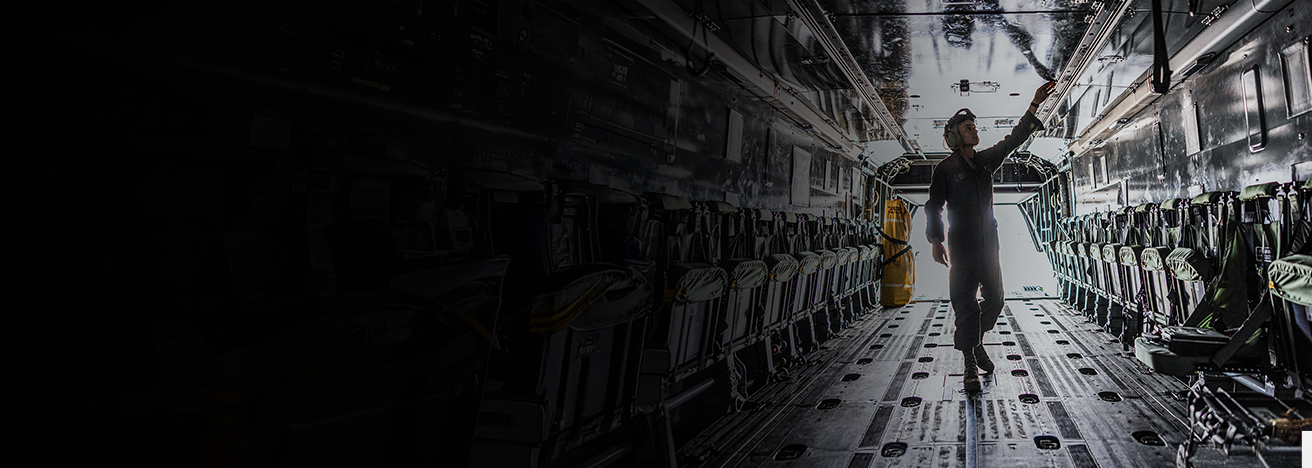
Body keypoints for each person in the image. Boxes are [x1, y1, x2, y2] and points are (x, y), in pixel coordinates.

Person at [926, 81, 1056, 393]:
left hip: (989, 245)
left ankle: (974, 340)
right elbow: (933, 206)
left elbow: (1012, 141)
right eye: (968, 127)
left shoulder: (985, 162)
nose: (974, 130)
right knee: (964, 303)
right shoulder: (945, 169)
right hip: (962, 247)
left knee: (996, 300)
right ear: (956, 136)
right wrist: (935, 240)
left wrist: (1033, 106)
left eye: (974, 126)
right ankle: (969, 361)